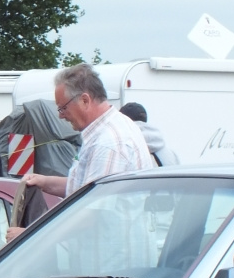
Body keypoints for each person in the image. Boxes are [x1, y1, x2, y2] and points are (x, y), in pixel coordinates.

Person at [19, 63, 154, 200]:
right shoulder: (113, 128)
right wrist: (44, 182)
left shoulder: (108, 144)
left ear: (84, 101)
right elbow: (80, 187)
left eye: (63, 108)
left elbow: (95, 205)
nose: (60, 116)